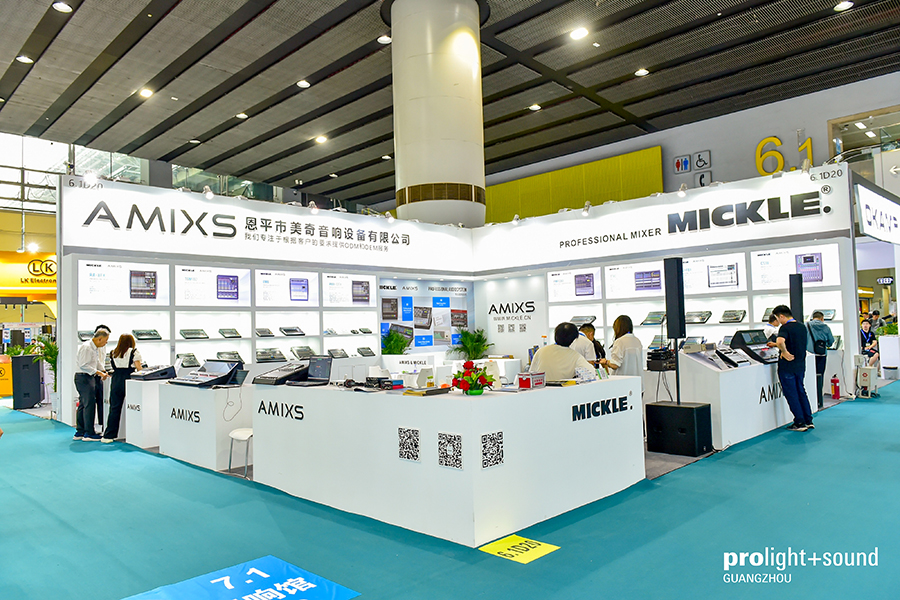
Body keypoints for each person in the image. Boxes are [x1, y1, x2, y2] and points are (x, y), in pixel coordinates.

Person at [772, 305, 813, 432]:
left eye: (778, 318)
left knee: (791, 393)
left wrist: (784, 352)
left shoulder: (785, 327)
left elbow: (780, 341)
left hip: (787, 366)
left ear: (781, 316)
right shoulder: (801, 326)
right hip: (800, 364)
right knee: (801, 391)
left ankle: (799, 422)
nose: (778, 321)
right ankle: (808, 420)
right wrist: (777, 345)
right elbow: (794, 342)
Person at [102, 334, 143, 443]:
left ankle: (108, 435)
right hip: (129, 379)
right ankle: (134, 434)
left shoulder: (113, 353)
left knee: (114, 408)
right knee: (133, 407)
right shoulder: (134, 352)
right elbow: (139, 368)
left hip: (116, 380)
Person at [74, 326, 110, 441]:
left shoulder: (93, 348)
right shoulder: (87, 348)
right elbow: (84, 365)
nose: (106, 343)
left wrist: (103, 370)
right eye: (105, 341)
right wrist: (99, 373)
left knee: (84, 404)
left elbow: (96, 362)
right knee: (89, 404)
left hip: (87, 377)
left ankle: (81, 431)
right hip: (84, 378)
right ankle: (89, 432)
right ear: (100, 339)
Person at [529, 322, 594, 381]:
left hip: (541, 388)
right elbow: (591, 373)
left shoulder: (541, 351)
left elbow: (531, 373)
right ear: (574, 339)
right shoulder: (575, 356)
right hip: (563, 389)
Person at [806, 311, 835, 409]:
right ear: (822, 318)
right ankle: (819, 400)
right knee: (820, 376)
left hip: (809, 355)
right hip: (821, 355)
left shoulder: (806, 325)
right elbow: (831, 341)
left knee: (809, 376)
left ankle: (810, 398)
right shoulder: (825, 327)